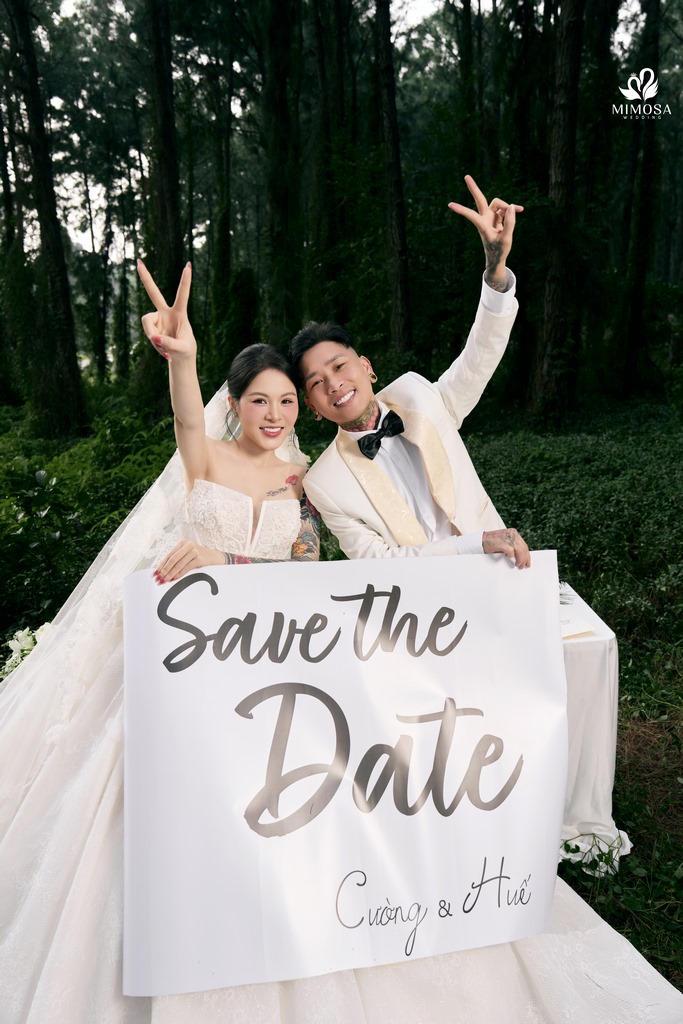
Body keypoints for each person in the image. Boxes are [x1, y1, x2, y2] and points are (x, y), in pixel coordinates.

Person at [0, 269, 681, 1024]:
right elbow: (191, 420)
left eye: (289, 398)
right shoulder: (228, 463)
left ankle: (513, 831)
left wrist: (494, 278)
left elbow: (303, 570)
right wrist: (182, 358)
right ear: (235, 406)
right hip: (213, 647)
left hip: (402, 615)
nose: (278, 410)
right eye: (263, 399)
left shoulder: (308, 474)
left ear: (346, 379)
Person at [289, 175, 531, 567]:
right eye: (318, 382)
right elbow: (378, 561)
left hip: (503, 569)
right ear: (312, 405)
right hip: (417, 600)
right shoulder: (324, 482)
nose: (334, 384)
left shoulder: (418, 394)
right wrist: (475, 545)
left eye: (340, 366)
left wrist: (495, 270)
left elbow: (479, 359)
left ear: (366, 367)